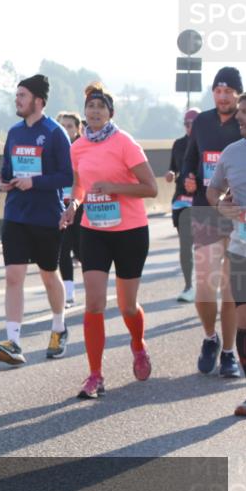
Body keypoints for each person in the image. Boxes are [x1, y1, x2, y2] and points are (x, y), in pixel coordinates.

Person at [61, 83, 158, 398]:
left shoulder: (124, 143)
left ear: (110, 113)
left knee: (128, 306)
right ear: (85, 112)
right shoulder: (78, 147)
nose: (95, 112)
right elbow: (79, 187)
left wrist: (114, 187)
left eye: (101, 107)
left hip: (130, 231)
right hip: (94, 231)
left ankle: (138, 344)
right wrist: (74, 206)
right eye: (91, 107)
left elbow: (150, 188)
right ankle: (95, 375)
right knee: (94, 304)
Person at [0, 74, 73, 366]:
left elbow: (67, 176)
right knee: (13, 276)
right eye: (17, 96)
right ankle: (13, 341)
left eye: (22, 96)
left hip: (45, 216)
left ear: (38, 101)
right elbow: (4, 169)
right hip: (15, 214)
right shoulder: (14, 133)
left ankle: (59, 327)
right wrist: (2, 181)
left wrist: (35, 182)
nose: (18, 100)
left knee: (49, 275)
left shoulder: (54, 133)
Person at [184, 66, 244, 379]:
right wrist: (188, 179)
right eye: (217, 91)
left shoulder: (244, 123)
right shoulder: (203, 122)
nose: (222, 96)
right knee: (205, 285)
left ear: (237, 94)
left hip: (236, 214)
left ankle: (229, 353)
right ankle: (210, 337)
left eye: (228, 91)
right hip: (206, 209)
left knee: (231, 287)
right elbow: (189, 160)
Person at [207, 92, 246, 417]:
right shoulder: (232, 153)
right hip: (241, 248)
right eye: (240, 115)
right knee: (245, 319)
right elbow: (213, 189)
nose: (241, 119)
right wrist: (221, 205)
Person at [165, 108, 201, 303]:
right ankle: (189, 286)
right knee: (185, 245)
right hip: (181, 201)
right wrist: (171, 173)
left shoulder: (207, 142)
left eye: (193, 124)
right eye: (187, 124)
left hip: (203, 202)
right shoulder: (178, 144)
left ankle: (207, 285)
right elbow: (173, 166)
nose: (190, 128)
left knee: (205, 248)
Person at [56, 111, 84, 307]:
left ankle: (96, 286)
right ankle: (69, 293)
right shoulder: (53, 150)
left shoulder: (85, 148)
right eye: (62, 126)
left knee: (84, 250)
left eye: (70, 126)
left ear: (77, 129)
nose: (66, 130)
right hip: (61, 204)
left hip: (84, 205)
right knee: (63, 249)